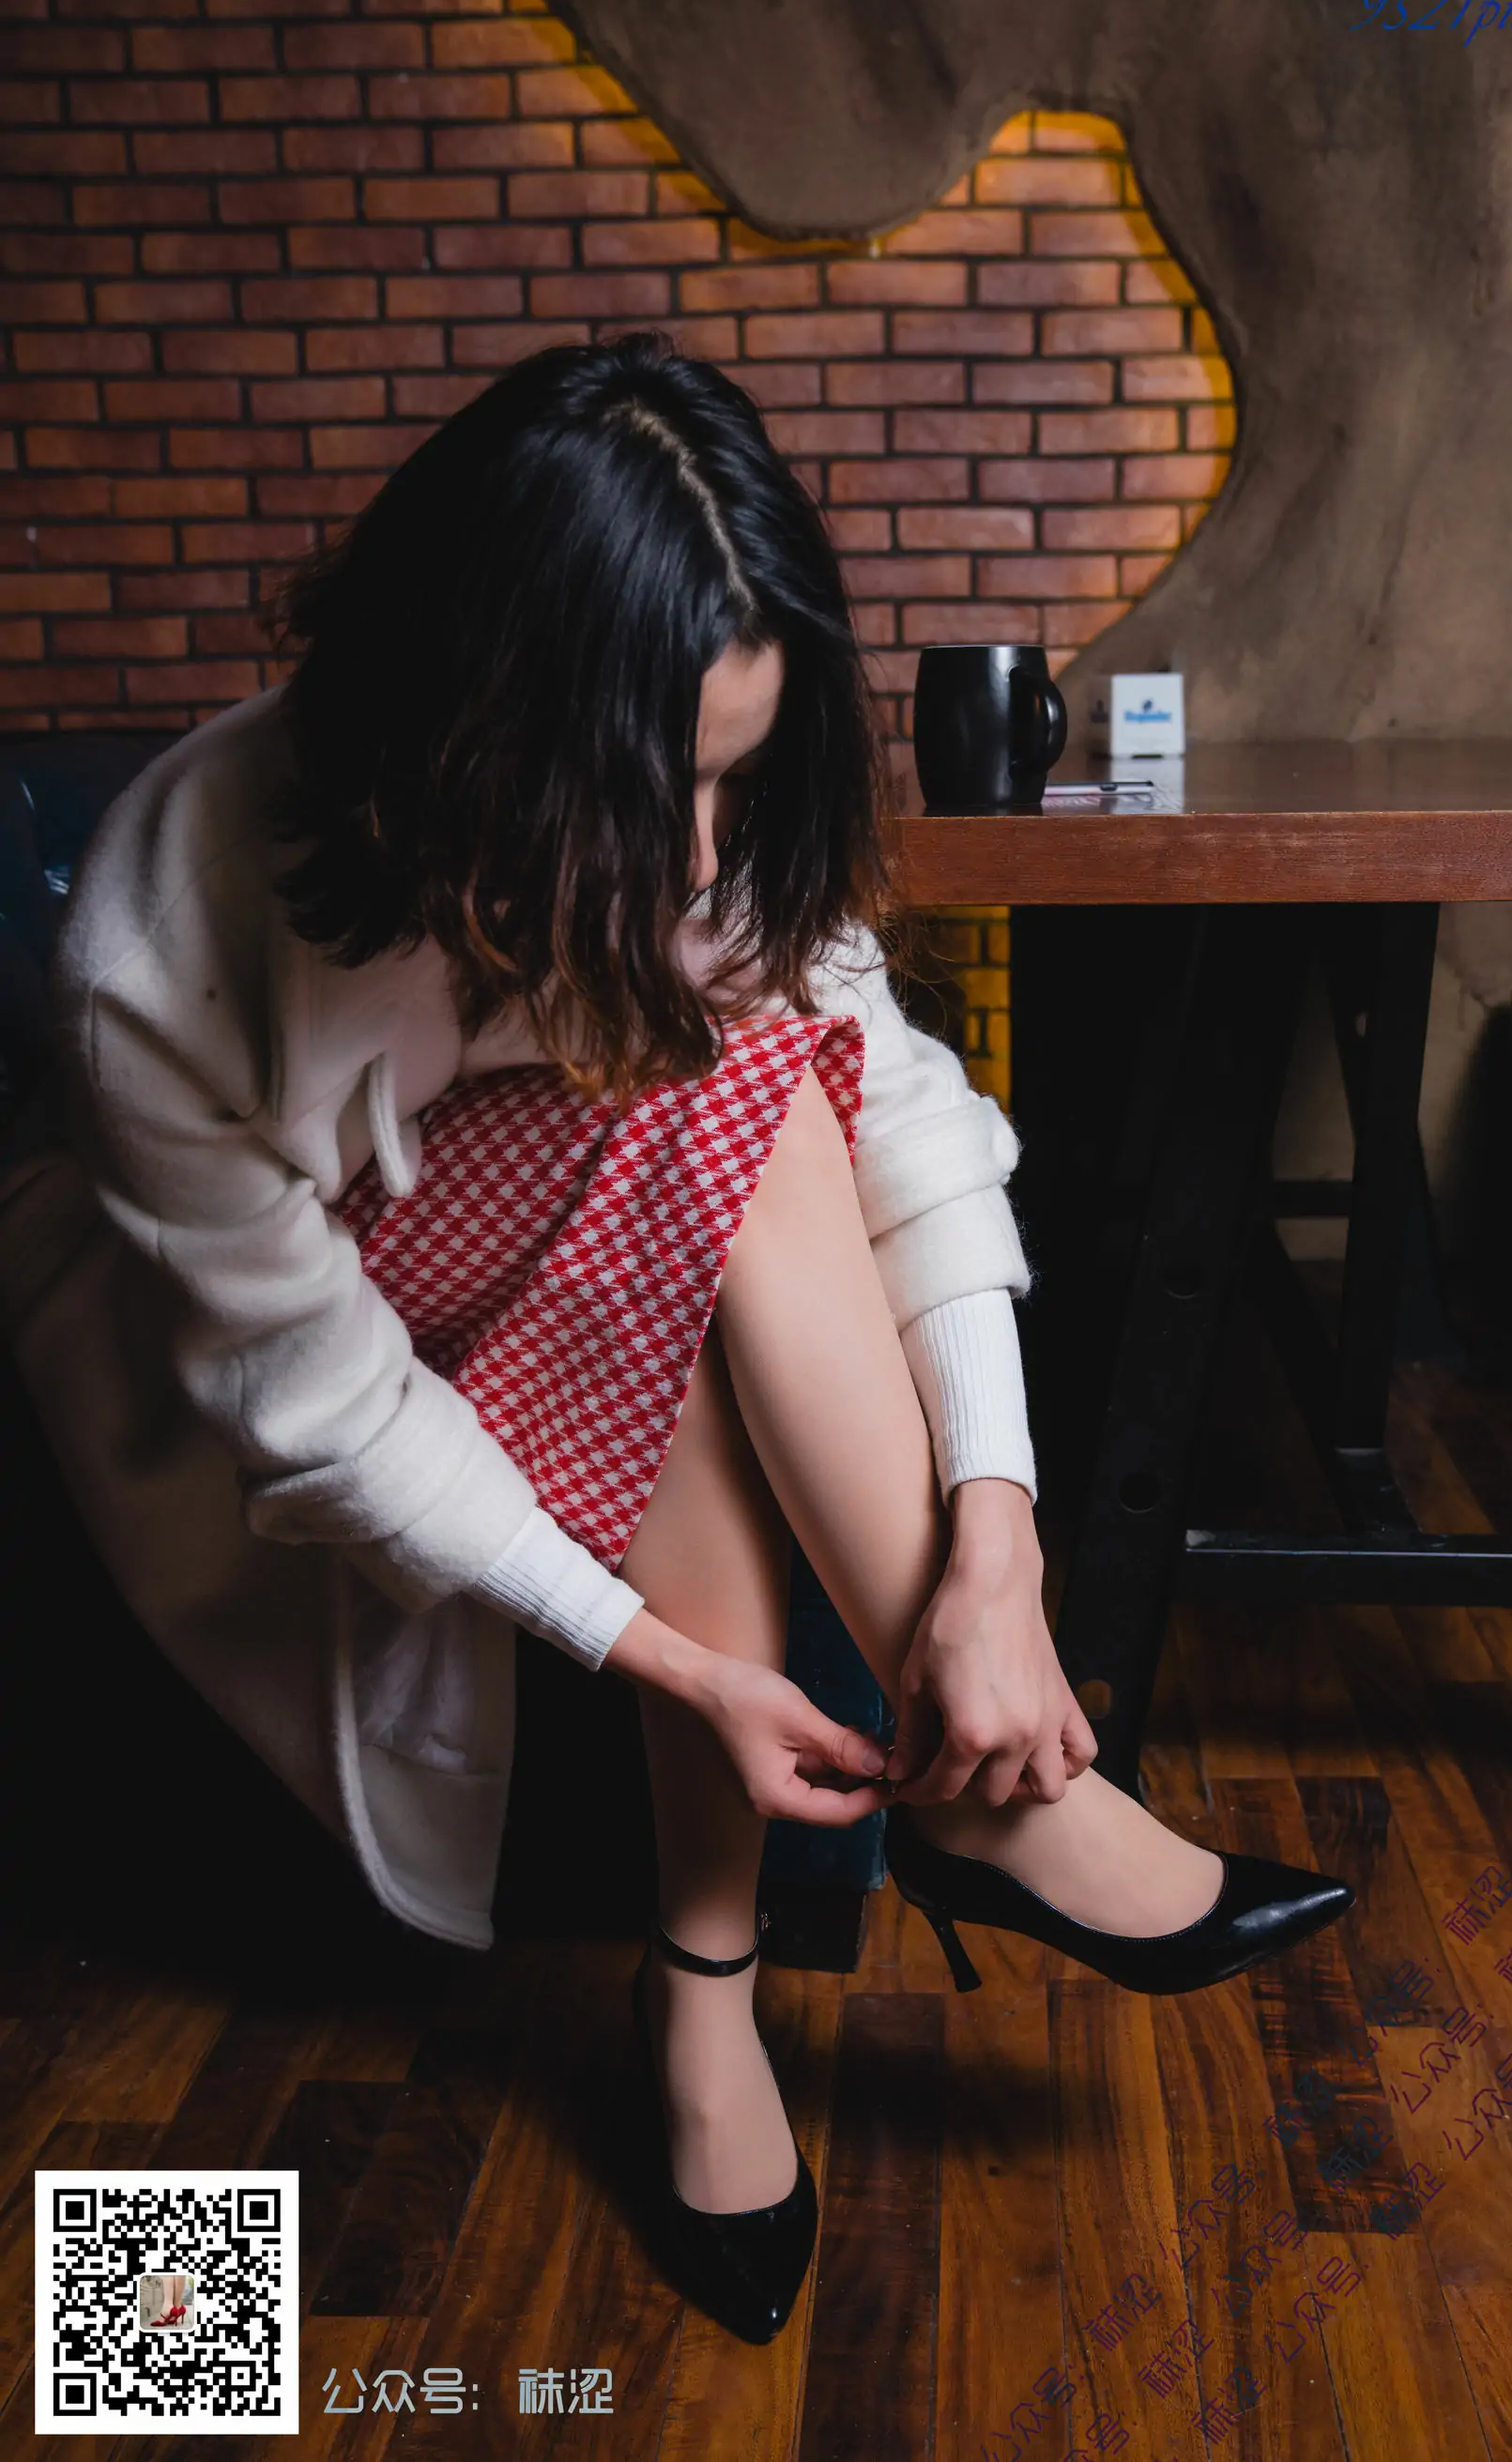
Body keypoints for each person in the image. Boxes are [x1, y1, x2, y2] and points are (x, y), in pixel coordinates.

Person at [0, 334, 1350, 2347]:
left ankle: (717, 1986)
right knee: (712, 1087)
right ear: (475, 734)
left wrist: (997, 1545)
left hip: (593, 1261)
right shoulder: (160, 940)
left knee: (755, 1091)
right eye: (659, 789)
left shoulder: (700, 864)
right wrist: (674, 1663)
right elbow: (327, 1409)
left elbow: (905, 1123)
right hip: (278, 1380)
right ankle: (977, 1814)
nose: (708, 853)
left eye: (739, 773)